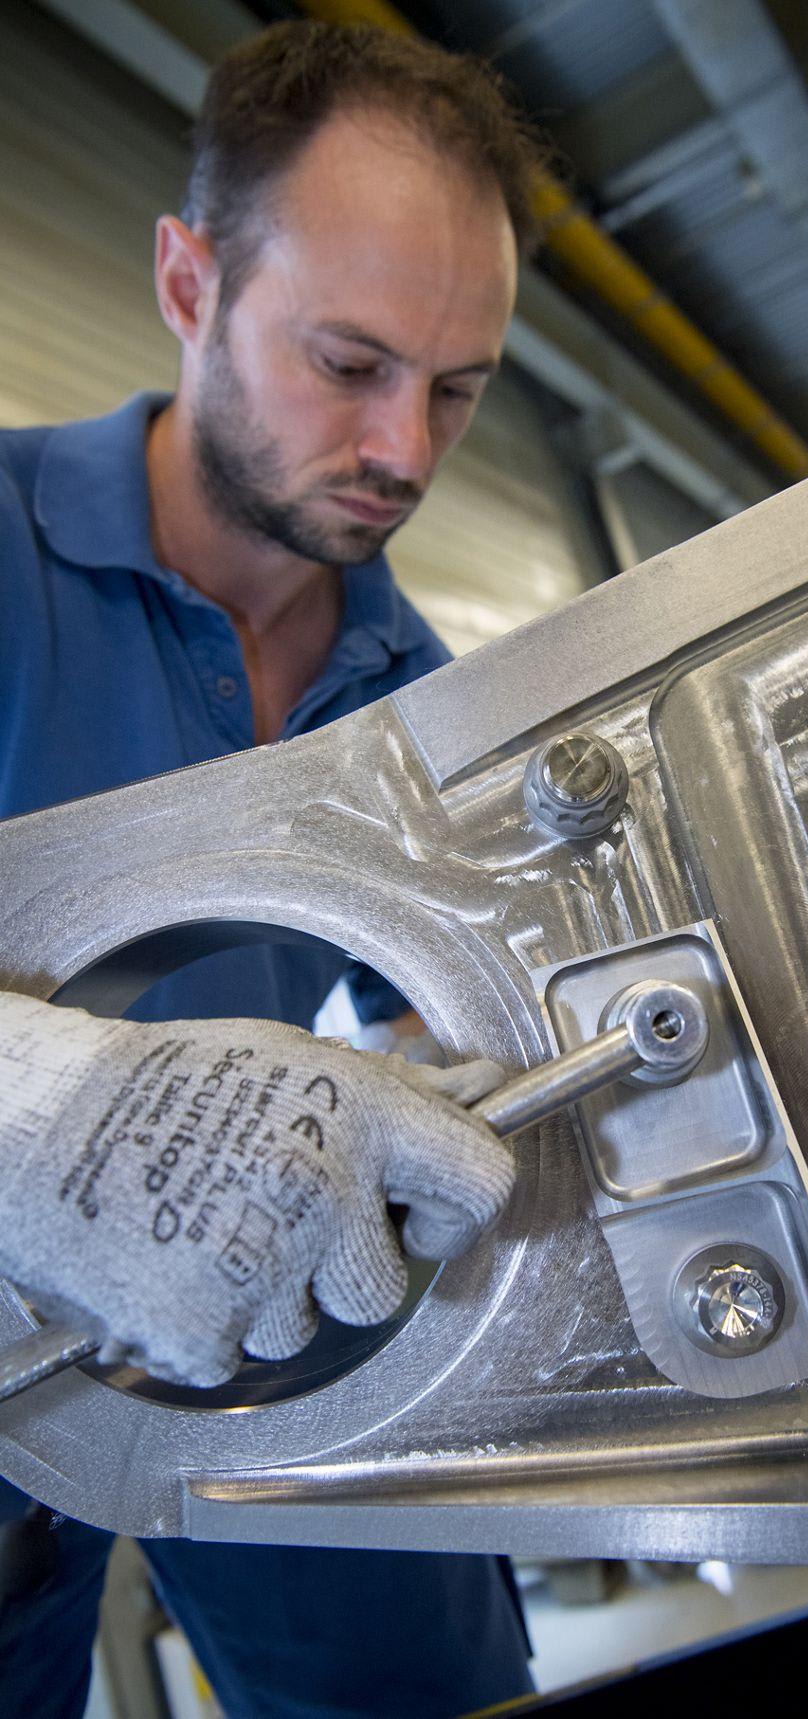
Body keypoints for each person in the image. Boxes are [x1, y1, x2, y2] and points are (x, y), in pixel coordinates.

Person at [0, 19, 550, 1717]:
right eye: (349, 361)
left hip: (256, 1316)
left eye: (457, 387)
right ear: (191, 283)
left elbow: (440, 1014)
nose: (406, 449)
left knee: (426, 1686)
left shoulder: (425, 707)